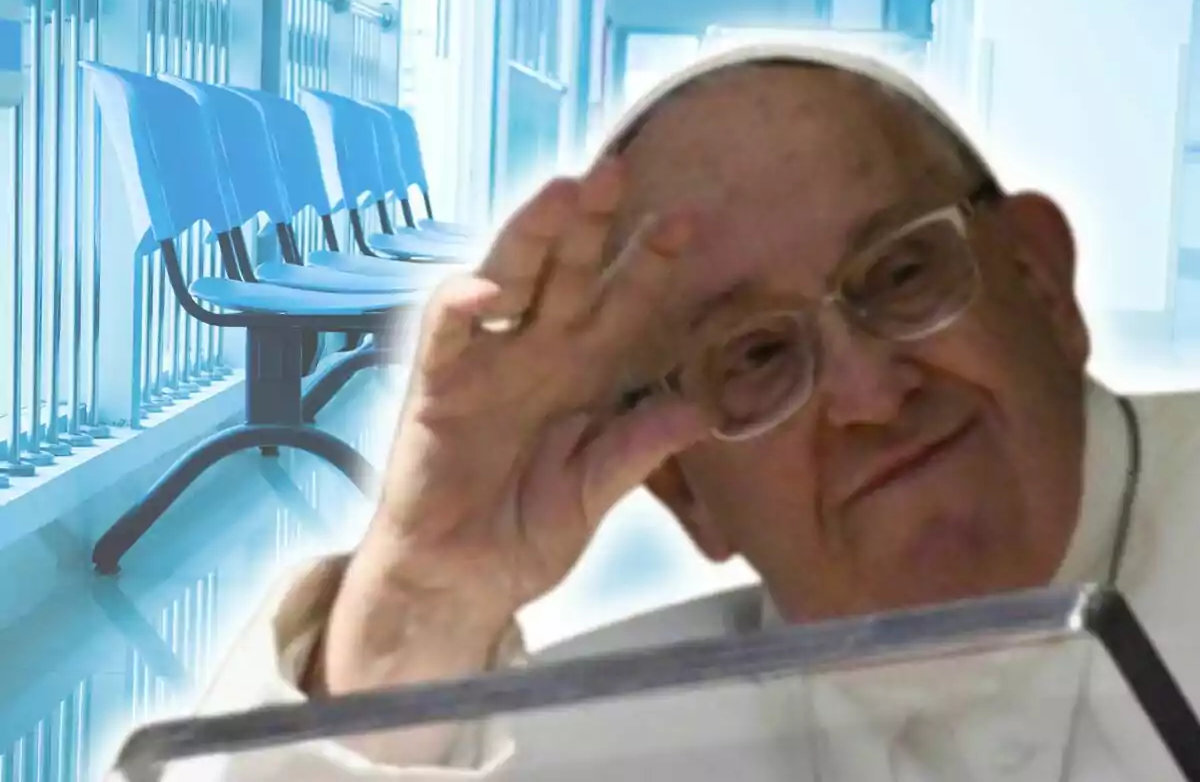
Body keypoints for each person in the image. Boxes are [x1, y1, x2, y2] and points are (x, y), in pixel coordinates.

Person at [134, 44, 1200, 780]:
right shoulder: (585, 740)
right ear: (688, 492)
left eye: (904, 271)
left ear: (1041, 280)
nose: (871, 394)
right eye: (757, 355)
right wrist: (420, 605)